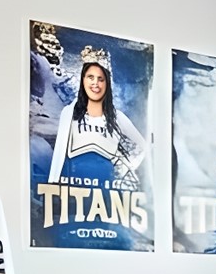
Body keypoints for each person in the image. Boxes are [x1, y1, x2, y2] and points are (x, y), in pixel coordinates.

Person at [46, 46, 147, 188]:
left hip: (107, 188)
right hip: (76, 187)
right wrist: (52, 185)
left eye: (101, 79)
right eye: (90, 77)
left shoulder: (117, 117)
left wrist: (124, 168)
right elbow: (59, 153)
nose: (95, 83)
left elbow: (143, 146)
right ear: (83, 80)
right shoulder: (69, 112)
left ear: (107, 83)